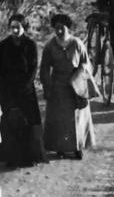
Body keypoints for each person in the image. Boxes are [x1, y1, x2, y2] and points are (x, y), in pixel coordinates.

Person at [39, 14, 97, 159]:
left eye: (62, 28)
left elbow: (86, 63)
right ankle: (60, 148)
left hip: (76, 86)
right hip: (58, 85)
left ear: (68, 28)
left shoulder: (77, 44)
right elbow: (44, 69)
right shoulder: (50, 46)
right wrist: (48, 87)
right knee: (59, 118)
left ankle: (78, 147)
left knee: (77, 117)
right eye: (56, 29)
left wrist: (82, 77)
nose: (59, 32)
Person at [0, 19, 43, 166]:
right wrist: (4, 86)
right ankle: (11, 157)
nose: (15, 30)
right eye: (12, 27)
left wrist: (25, 86)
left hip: (26, 90)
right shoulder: (3, 45)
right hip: (8, 91)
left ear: (24, 27)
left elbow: (33, 68)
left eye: (18, 27)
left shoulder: (30, 44)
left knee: (28, 122)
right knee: (9, 122)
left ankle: (29, 157)